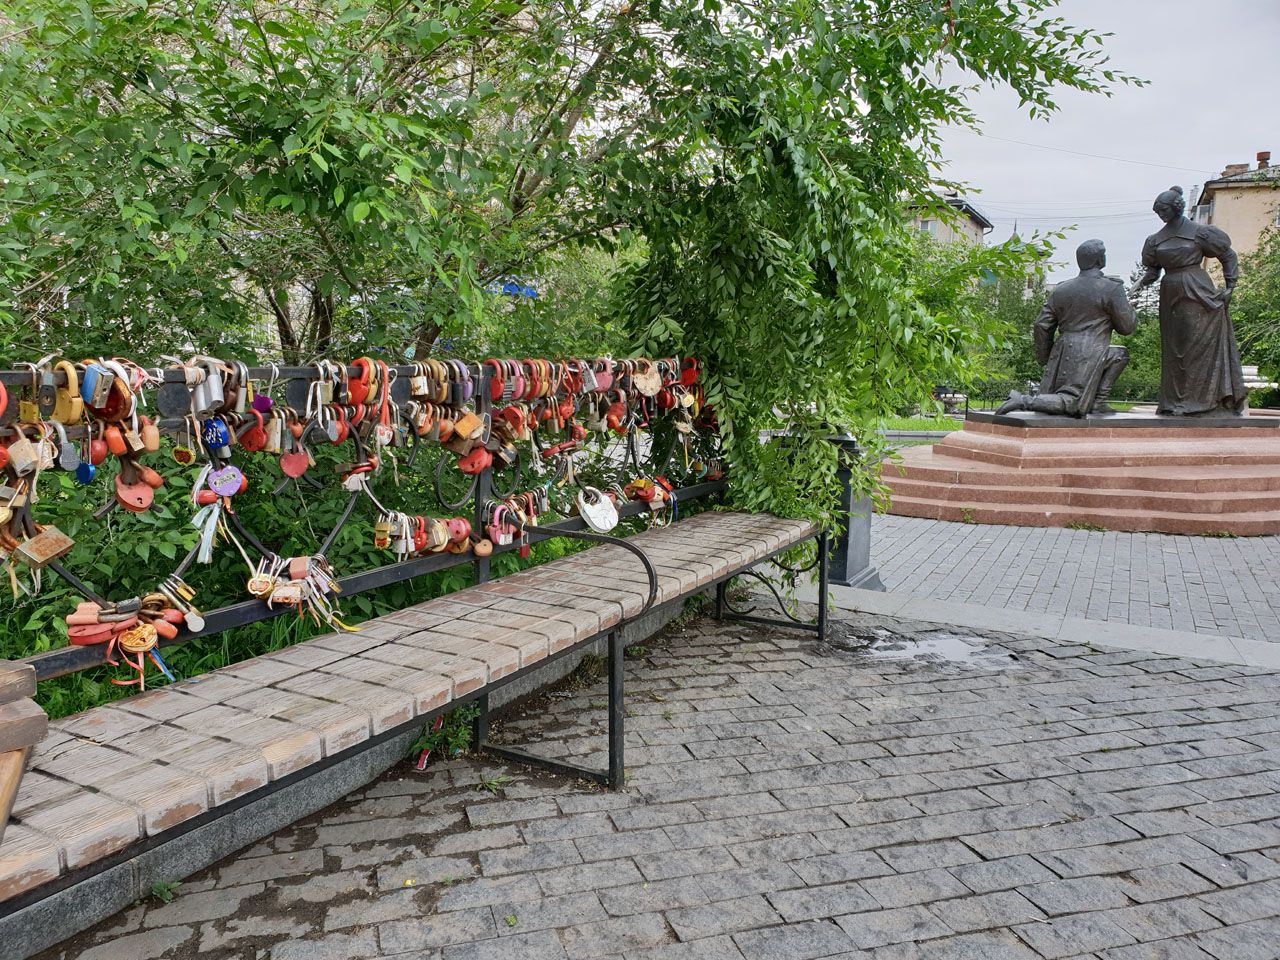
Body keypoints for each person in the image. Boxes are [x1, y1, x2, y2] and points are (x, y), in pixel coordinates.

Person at [1135, 185, 1246, 416]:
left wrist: (1230, 286)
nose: (1161, 215)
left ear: (1176, 208)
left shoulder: (1200, 233)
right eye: (1158, 211)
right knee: (1174, 349)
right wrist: (1136, 285)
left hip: (1198, 291)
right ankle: (1173, 401)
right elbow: (1152, 272)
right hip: (1170, 292)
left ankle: (1199, 402)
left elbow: (1228, 255)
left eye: (1164, 210)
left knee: (1193, 348)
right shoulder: (1155, 240)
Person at [998, 239, 1136, 417]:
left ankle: (1098, 402)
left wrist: (1046, 357)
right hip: (1090, 351)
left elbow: (1042, 324)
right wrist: (1128, 307)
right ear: (1100, 260)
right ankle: (1022, 400)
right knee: (1073, 402)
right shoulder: (1111, 288)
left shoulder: (1062, 288)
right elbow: (1127, 327)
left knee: (1119, 354)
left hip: (1062, 350)